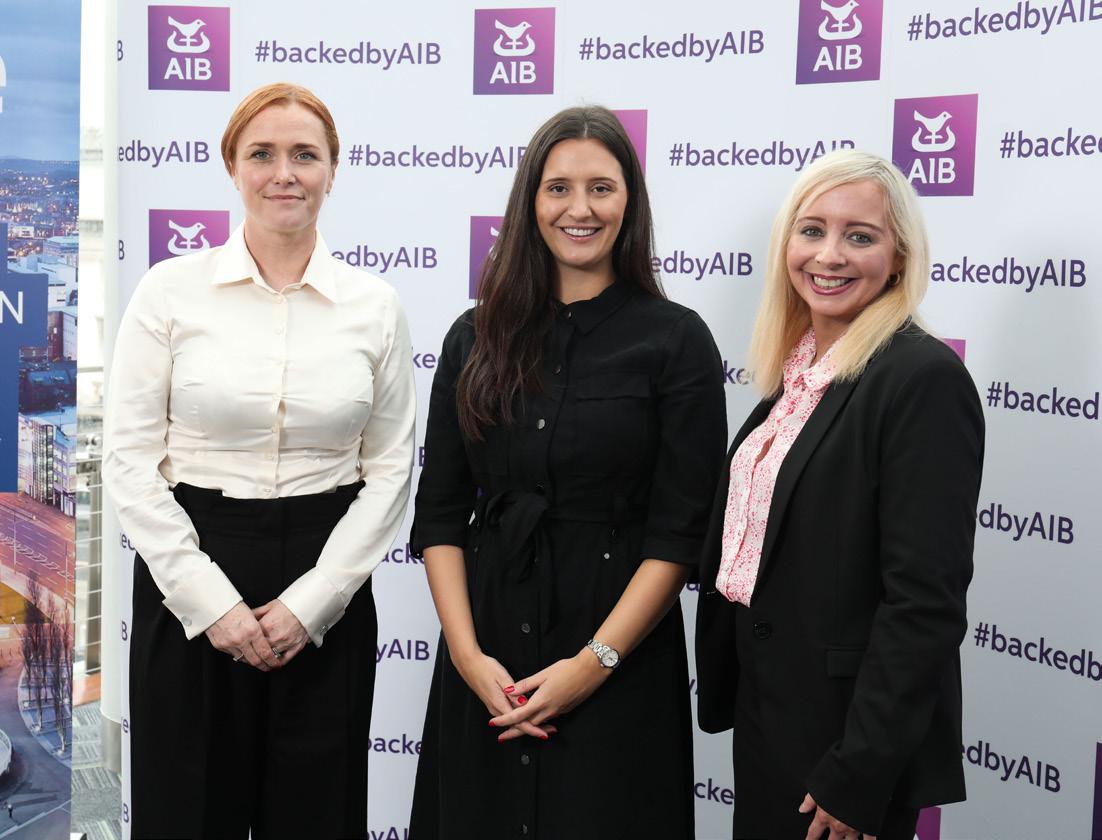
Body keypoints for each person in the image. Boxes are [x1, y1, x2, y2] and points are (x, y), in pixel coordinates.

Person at [103, 83, 415, 839]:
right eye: (262, 154)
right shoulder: (168, 292)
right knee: (186, 815)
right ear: (232, 168)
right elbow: (130, 460)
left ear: (332, 170)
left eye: (304, 155)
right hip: (190, 570)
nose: (284, 173)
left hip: (325, 578)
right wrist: (208, 601)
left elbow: (390, 470)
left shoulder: (375, 306)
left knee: (318, 816)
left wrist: (315, 603)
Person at [408, 106, 726, 838]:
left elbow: (680, 533)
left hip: (620, 656)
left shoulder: (677, 341)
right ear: (531, 202)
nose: (579, 209)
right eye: (558, 188)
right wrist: (467, 657)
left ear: (629, 203)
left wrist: (594, 663)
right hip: (486, 655)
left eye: (601, 188)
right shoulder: (473, 337)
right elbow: (440, 513)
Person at [695, 150, 985, 840]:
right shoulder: (799, 372)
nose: (829, 255)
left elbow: (923, 604)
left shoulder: (921, 379)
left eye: (860, 235)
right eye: (812, 230)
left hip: (845, 742)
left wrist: (859, 773)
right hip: (772, 713)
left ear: (899, 256)